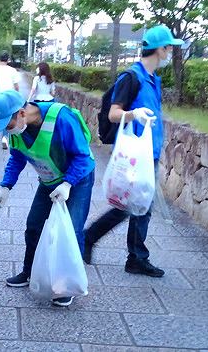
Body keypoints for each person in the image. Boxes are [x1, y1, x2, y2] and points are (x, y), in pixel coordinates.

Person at [83, 25, 184, 277]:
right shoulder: (132, 77)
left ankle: (110, 246)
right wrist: (133, 114)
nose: (170, 51)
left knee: (137, 204)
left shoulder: (151, 80)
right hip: (135, 156)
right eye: (168, 47)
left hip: (149, 152)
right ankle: (128, 253)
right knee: (135, 204)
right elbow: (113, 113)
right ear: (160, 49)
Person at [0, 90, 95, 307]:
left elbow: (82, 156)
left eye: (8, 125)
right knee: (34, 225)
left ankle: (68, 284)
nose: (8, 131)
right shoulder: (18, 130)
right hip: (49, 179)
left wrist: (68, 184)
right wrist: (6, 186)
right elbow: (17, 158)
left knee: (71, 230)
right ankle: (29, 272)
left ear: (21, 113)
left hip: (77, 178)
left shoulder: (61, 119)